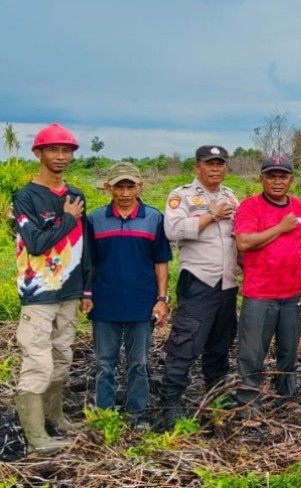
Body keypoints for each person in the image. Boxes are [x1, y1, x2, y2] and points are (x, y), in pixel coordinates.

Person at [12, 123, 89, 454]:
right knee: (37, 362)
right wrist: (67, 219)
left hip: (69, 292)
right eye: (54, 150)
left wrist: (86, 289)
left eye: (67, 150)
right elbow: (36, 242)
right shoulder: (26, 197)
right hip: (39, 293)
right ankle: (35, 437)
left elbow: (82, 246)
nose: (61, 156)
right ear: (38, 153)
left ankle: (55, 418)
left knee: (62, 358)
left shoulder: (75, 196)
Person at [84, 162, 172, 431]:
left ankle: (137, 415)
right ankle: (104, 416)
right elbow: (89, 262)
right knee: (104, 364)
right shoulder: (95, 219)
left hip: (141, 303)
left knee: (139, 363)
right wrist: (87, 293)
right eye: (118, 187)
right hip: (105, 303)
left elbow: (161, 262)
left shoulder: (154, 218)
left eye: (130, 186)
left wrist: (162, 299)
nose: (124, 193)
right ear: (109, 187)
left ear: (140, 187)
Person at [161, 145, 242, 427]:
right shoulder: (181, 196)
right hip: (198, 281)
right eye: (210, 163)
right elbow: (173, 230)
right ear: (197, 167)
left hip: (227, 283)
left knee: (219, 347)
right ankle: (171, 403)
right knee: (185, 345)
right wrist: (211, 215)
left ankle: (216, 399)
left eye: (220, 163)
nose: (215, 168)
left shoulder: (232, 196)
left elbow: (239, 237)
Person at [233, 155, 301, 413]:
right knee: (251, 354)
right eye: (271, 176)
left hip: (293, 294)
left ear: (291, 180)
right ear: (262, 179)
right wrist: (281, 228)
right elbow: (245, 242)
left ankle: (287, 398)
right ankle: (249, 404)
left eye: (283, 176)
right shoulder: (250, 207)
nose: (277, 181)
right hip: (259, 296)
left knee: (289, 350)